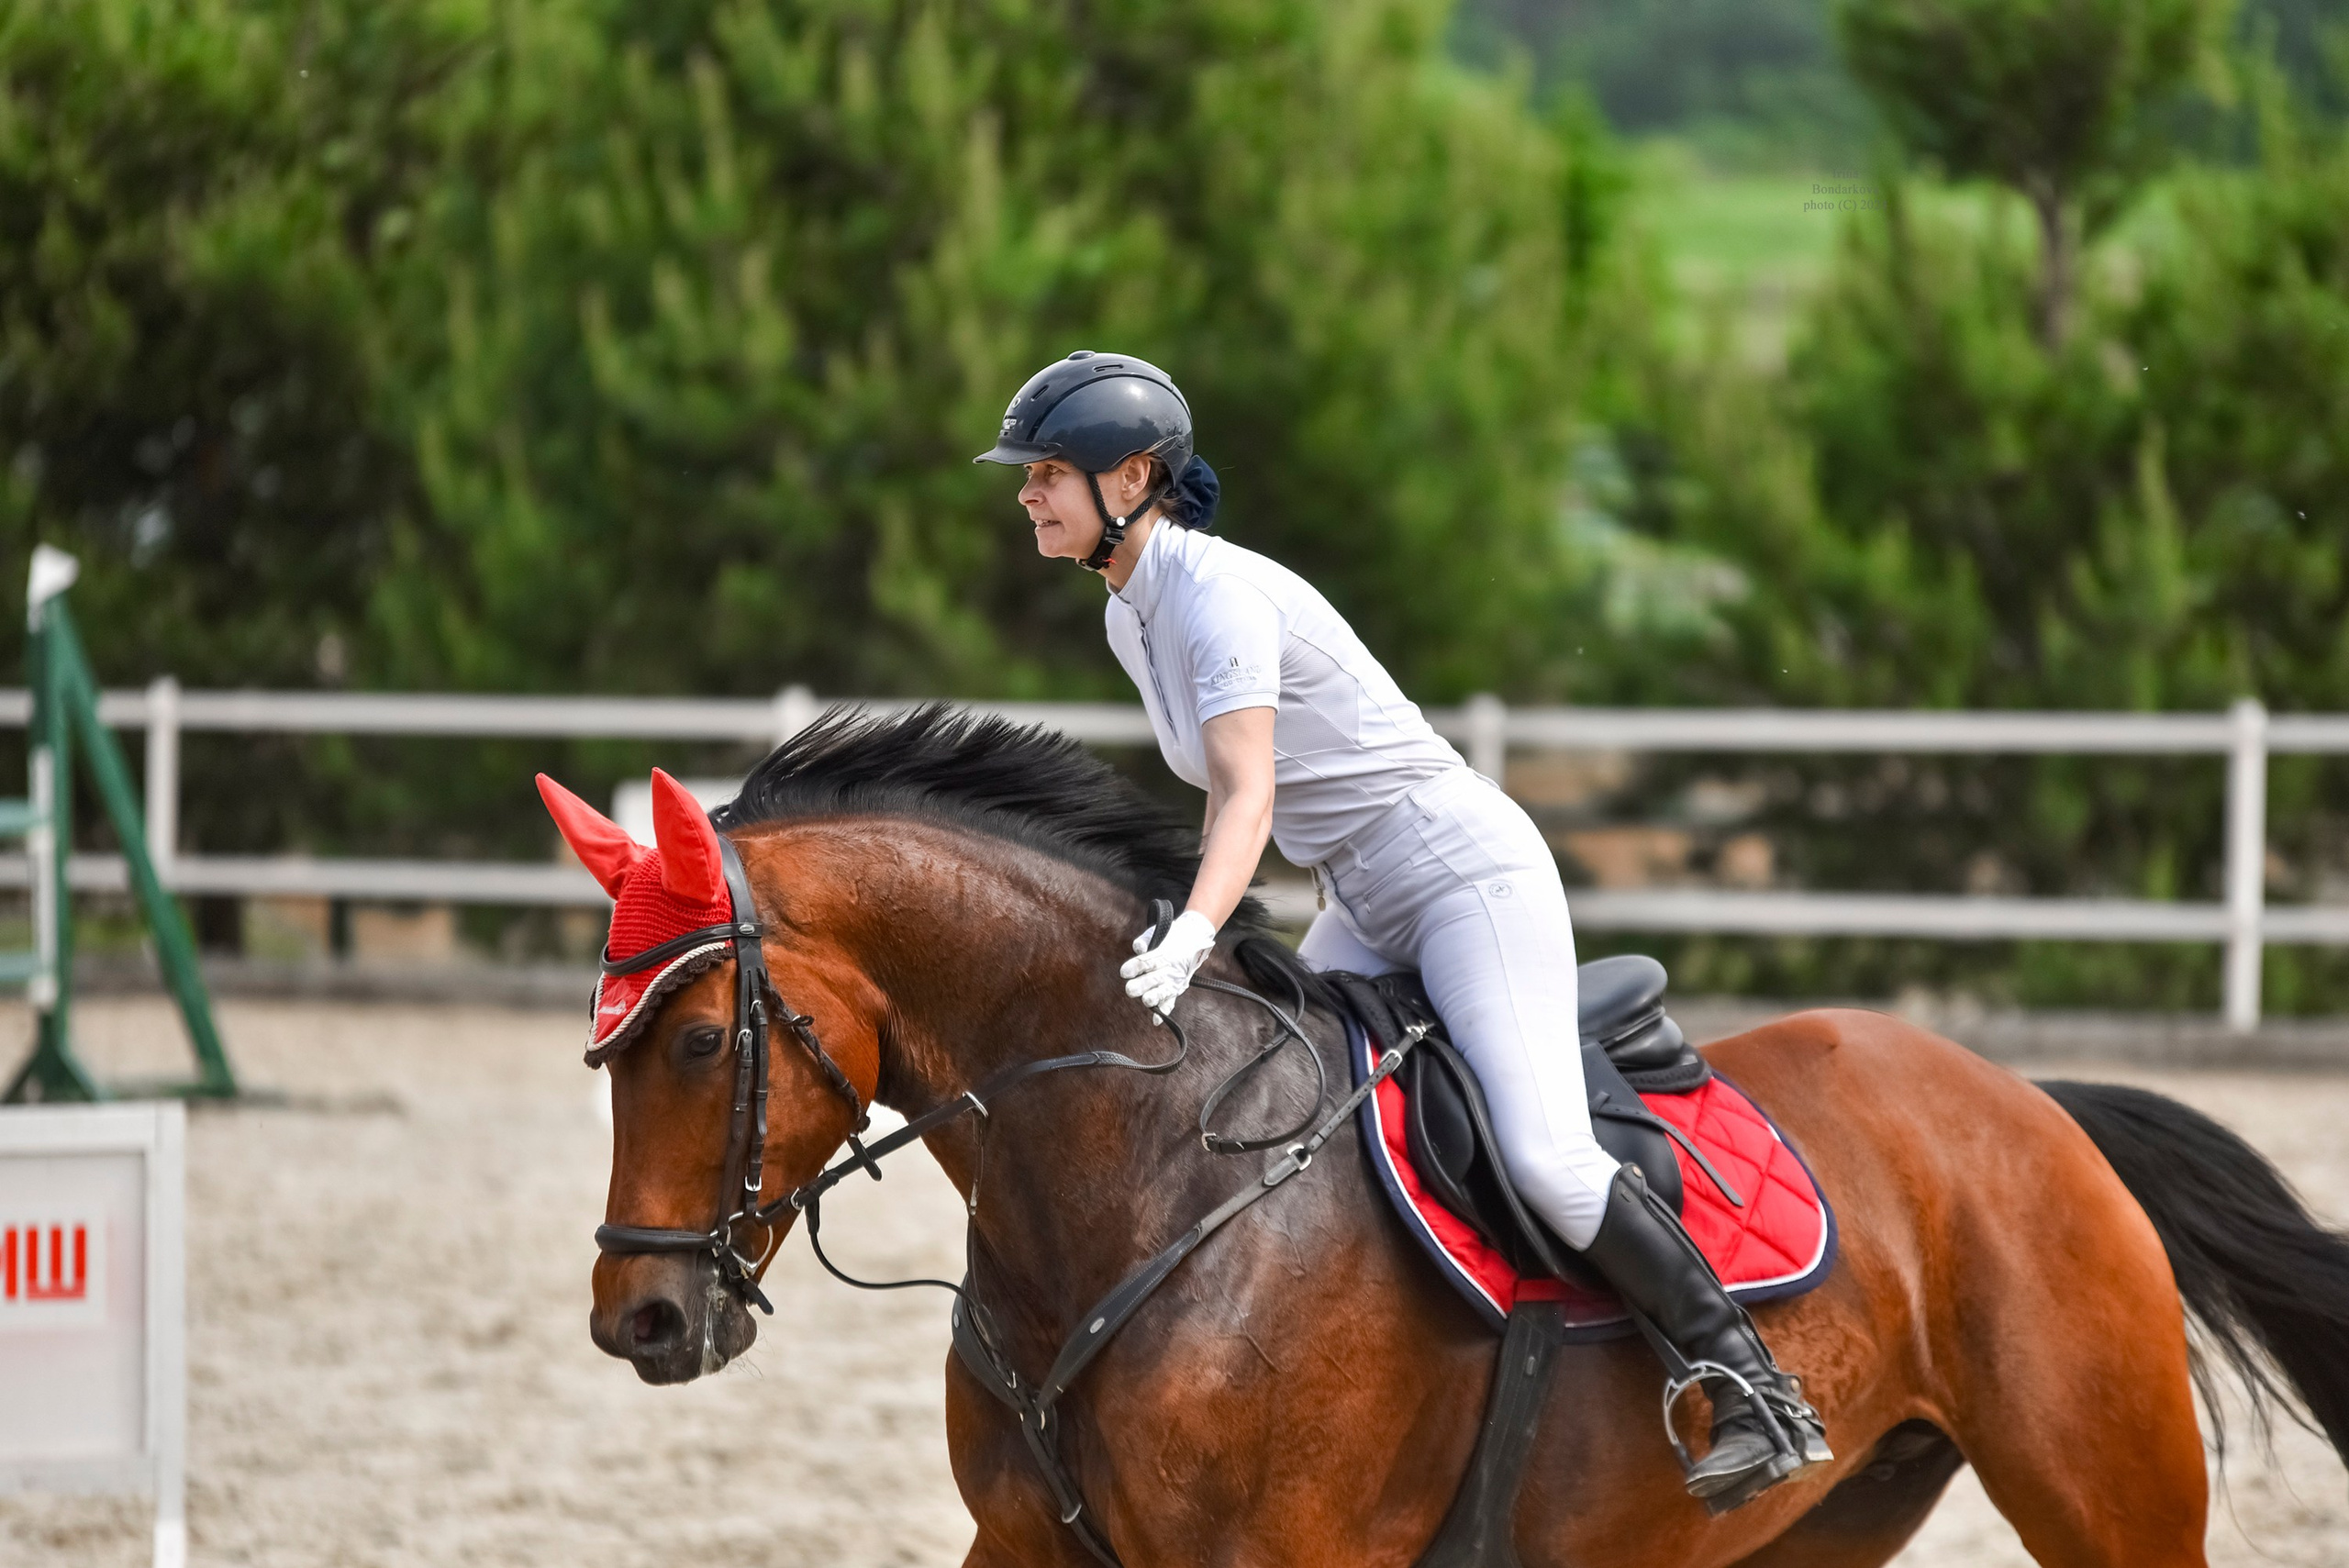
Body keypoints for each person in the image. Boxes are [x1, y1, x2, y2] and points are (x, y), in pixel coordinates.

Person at [974, 350, 1830, 1507]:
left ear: (1130, 477)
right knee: (1276, 1107)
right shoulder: (1133, 610)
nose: (1027, 491)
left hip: (1458, 874)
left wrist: (1198, 927)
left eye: (1045, 472)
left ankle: (1745, 1380)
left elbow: (1249, 795)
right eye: (1027, 474)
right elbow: (1232, 793)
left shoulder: (1217, 595)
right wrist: (1193, 919)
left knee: (1545, 1154)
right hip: (1361, 896)